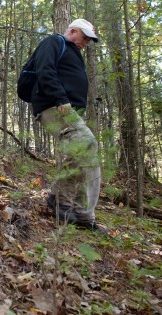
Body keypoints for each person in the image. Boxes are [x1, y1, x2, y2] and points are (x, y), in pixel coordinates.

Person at [31, 18, 105, 233]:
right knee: (86, 144)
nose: (86, 43)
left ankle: (82, 213)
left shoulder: (74, 52)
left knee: (88, 154)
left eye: (89, 41)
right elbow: (44, 69)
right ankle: (60, 200)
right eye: (84, 38)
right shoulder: (54, 42)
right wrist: (60, 98)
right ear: (73, 31)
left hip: (69, 109)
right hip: (54, 106)